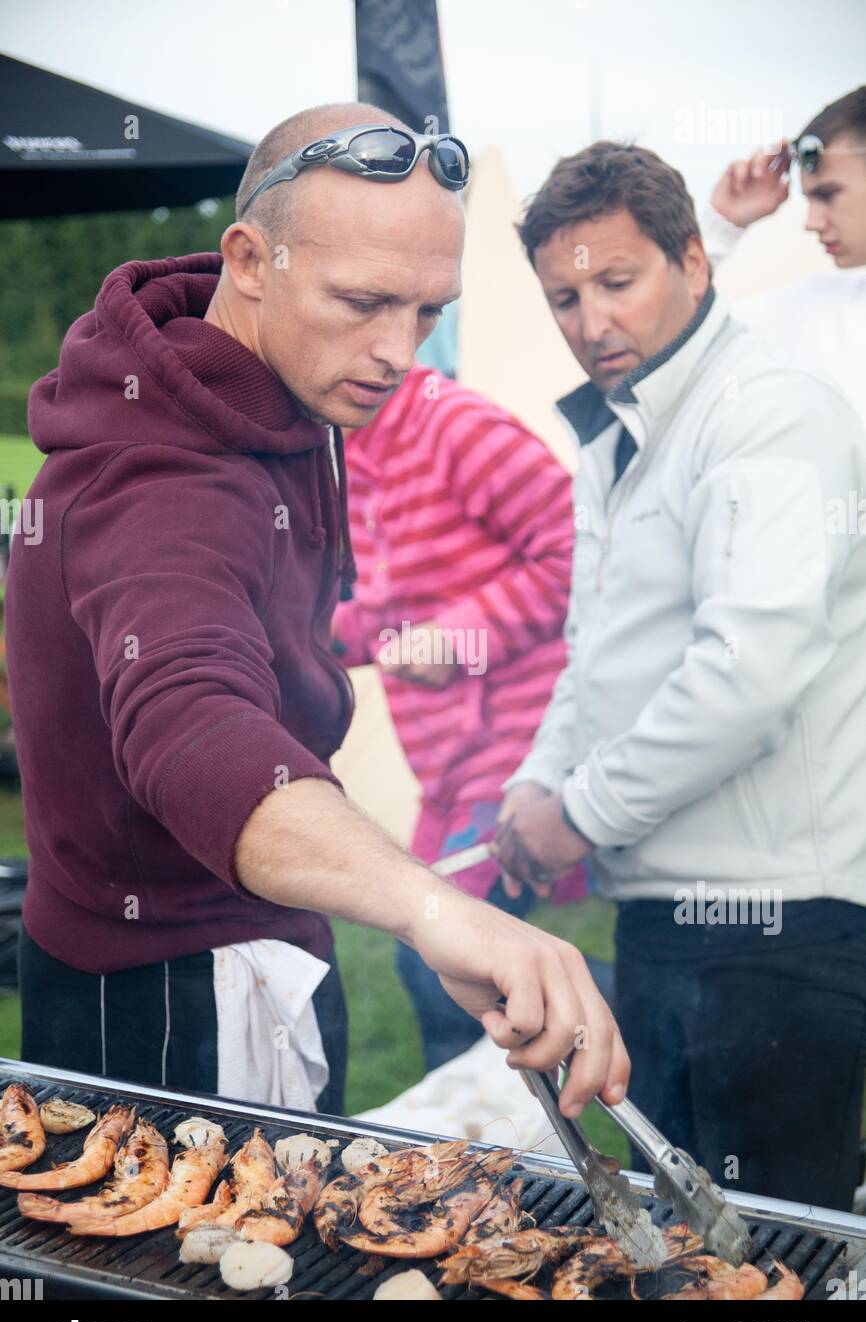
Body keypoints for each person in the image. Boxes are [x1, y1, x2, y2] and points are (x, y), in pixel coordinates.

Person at [5, 103, 628, 1121]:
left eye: (426, 312)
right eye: (363, 301)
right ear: (250, 260)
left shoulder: (276, 385)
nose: (399, 351)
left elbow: (266, 626)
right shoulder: (158, 477)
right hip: (169, 989)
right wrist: (430, 906)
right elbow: (195, 726)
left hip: (260, 929)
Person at [494, 140, 866, 1209]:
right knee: (669, 1248)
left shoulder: (768, 412)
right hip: (656, 920)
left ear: (694, 262)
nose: (590, 322)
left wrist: (579, 813)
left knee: (772, 1262)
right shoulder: (618, 436)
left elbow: (747, 674)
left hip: (775, 930)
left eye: (617, 282)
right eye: (564, 298)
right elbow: (596, 655)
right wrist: (536, 782)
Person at [333, 362, 591, 1070]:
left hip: (517, 748)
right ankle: (481, 1116)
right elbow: (388, 610)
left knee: (441, 963)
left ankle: (615, 1025)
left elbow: (579, 551)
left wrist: (459, 637)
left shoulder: (456, 425)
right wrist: (294, 640)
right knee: (424, 948)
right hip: (445, 768)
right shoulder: (343, 452)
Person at [703, 85, 866, 427]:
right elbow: (670, 336)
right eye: (809, 200)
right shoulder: (813, 313)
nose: (811, 222)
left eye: (828, 195)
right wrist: (721, 228)